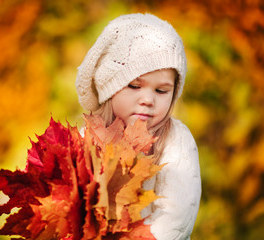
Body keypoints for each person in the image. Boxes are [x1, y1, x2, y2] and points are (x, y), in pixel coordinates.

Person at [75, 13, 201, 240]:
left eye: (161, 91)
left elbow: (176, 217)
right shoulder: (86, 139)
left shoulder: (176, 140)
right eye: (134, 86)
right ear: (109, 89)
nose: (148, 99)